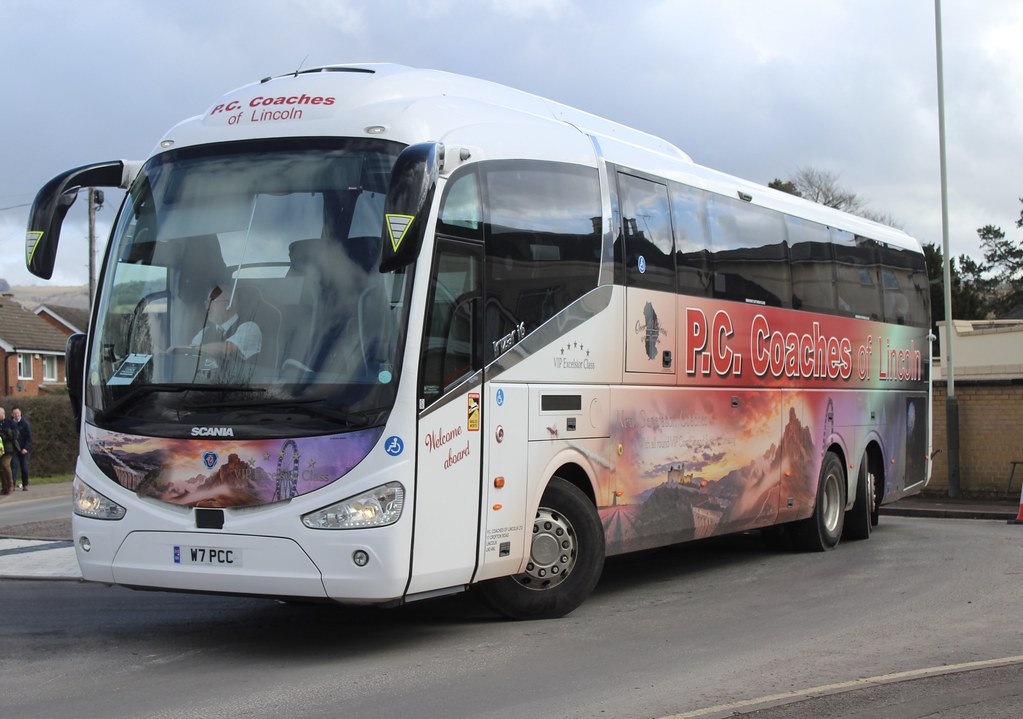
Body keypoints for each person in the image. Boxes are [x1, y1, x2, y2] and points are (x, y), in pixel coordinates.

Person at [187, 284, 263, 382]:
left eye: (212, 302)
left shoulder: (249, 328)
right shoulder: (204, 332)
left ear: (228, 304)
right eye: (207, 303)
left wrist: (191, 348)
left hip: (243, 391)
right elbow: (191, 359)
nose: (207, 308)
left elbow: (226, 349)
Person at [10, 406, 31, 491]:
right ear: (12, 414)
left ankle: (25, 484)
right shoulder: (10, 423)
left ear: (20, 413)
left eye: (17, 413)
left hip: (23, 450)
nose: (16, 415)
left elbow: (29, 438)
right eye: (14, 413)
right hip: (14, 450)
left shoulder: (25, 423)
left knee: (24, 468)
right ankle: (13, 485)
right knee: (13, 468)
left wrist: (26, 448)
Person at [0, 407, 19, 496]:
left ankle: (11, 485)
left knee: (5, 464)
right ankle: (4, 488)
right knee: (1, 468)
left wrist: (6, 433)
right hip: (0, 449)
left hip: (9, 449)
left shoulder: (9, 422)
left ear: (3, 414)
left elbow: (15, 435)